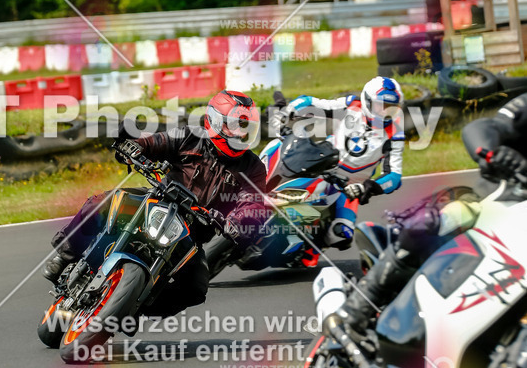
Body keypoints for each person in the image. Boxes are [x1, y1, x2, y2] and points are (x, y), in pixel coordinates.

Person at [41, 90, 267, 317]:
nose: (241, 133)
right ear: (215, 122)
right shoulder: (190, 137)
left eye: (247, 127)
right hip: (158, 200)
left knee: (195, 288)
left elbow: (253, 203)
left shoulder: (253, 167)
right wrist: (133, 147)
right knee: (104, 202)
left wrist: (237, 221)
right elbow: (156, 142)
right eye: (235, 125)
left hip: (193, 232)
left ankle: (130, 307)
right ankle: (66, 256)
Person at [339, 93, 527, 334]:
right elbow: (484, 127)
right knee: (436, 222)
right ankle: (361, 303)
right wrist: (491, 153)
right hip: (500, 202)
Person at [280, 76, 405, 263]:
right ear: (367, 102)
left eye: (391, 107)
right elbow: (310, 102)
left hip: (349, 187)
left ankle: (309, 250)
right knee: (281, 153)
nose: (386, 112)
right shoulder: (350, 106)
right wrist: (287, 112)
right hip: (320, 165)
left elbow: (394, 176)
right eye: (381, 106)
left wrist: (367, 188)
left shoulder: (395, 134)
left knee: (342, 234)